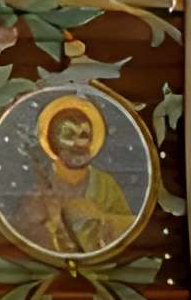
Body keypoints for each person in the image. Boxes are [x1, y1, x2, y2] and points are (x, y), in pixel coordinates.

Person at [8, 93, 138, 259]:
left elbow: (128, 231)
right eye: (69, 135)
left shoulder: (105, 184)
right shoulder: (39, 187)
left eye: (84, 135)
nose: (79, 144)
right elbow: (21, 235)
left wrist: (99, 220)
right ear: (54, 142)